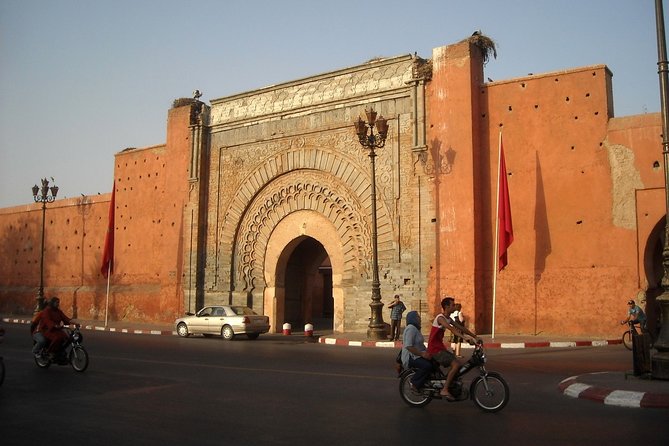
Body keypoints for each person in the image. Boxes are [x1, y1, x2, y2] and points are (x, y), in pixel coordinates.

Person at [428, 296, 478, 401]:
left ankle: (449, 383)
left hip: (440, 347)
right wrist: (465, 338)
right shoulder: (441, 318)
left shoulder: (448, 318)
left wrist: (474, 336)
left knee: (457, 362)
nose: (454, 306)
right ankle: (445, 389)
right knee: (456, 364)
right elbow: (452, 329)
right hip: (435, 349)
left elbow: (460, 328)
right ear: (446, 307)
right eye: (452, 305)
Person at [401, 311, 432, 391]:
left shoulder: (416, 329)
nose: (420, 318)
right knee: (427, 366)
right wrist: (422, 354)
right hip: (411, 357)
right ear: (413, 318)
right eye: (418, 317)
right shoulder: (411, 328)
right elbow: (408, 346)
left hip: (417, 355)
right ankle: (414, 382)